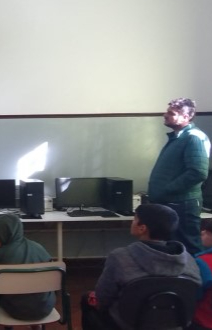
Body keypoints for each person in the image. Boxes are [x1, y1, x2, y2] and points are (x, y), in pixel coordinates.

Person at [81, 204, 202, 330]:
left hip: (127, 324)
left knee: (86, 298)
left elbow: (103, 298)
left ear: (142, 228)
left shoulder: (120, 257)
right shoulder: (189, 259)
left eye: (134, 219)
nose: (132, 222)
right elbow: (194, 294)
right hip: (174, 324)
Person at [148, 98, 211, 254]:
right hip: (172, 203)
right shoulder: (179, 138)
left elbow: (198, 173)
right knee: (174, 247)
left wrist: (166, 190)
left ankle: (197, 278)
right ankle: (178, 278)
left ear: (186, 116)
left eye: (171, 113)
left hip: (182, 205)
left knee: (188, 247)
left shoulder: (194, 137)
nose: (165, 115)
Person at [0, 214, 55, 328]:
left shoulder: (0, 254)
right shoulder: (39, 247)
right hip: (45, 308)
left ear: (6, 233)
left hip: (16, 310)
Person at [192, 219, 212, 330]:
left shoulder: (202, 262)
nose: (202, 232)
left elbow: (195, 295)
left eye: (208, 231)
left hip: (203, 322)